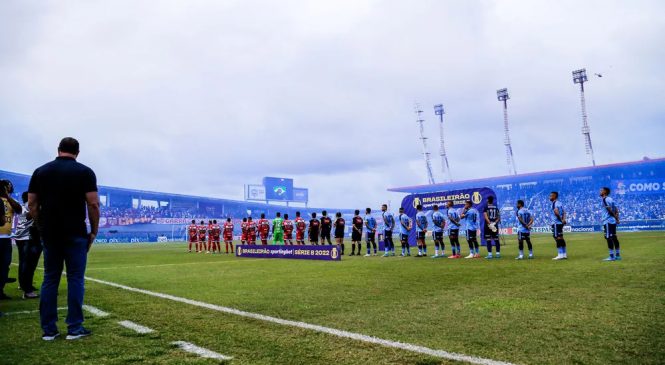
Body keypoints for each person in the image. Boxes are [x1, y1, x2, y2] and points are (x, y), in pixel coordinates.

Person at [28, 137, 99, 341]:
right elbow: (93, 204)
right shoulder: (85, 172)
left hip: (50, 233)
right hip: (75, 232)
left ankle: (49, 330)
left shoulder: (41, 171)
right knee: (75, 278)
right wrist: (93, 231)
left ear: (58, 150)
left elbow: (32, 204)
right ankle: (74, 328)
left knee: (50, 278)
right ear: (77, 152)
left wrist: (41, 226)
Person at [13, 191, 42, 299]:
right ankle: (27, 290)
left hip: (23, 237)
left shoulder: (24, 205)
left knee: (25, 263)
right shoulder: (29, 206)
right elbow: (30, 217)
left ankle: (24, 285)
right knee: (29, 264)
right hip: (28, 238)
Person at [1, 179, 22, 299]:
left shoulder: (10, 201)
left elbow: (18, 209)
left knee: (5, 265)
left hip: (6, 238)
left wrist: (7, 197)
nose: (9, 187)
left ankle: (1, 290)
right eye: (7, 186)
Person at [600, 187, 621, 261]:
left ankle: (611, 256)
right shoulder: (610, 199)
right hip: (612, 221)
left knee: (608, 238)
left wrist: (617, 218)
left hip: (608, 221)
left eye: (601, 190)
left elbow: (609, 210)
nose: (600, 191)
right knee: (614, 237)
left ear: (605, 192)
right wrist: (616, 218)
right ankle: (618, 256)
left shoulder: (605, 199)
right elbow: (616, 209)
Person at [550, 192, 568, 260]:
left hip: (556, 223)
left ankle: (560, 254)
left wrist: (561, 220)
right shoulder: (560, 203)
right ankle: (564, 254)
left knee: (557, 237)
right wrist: (563, 220)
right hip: (560, 223)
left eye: (551, 196)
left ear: (554, 196)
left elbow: (556, 212)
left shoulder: (554, 203)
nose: (549, 197)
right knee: (561, 238)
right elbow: (564, 212)